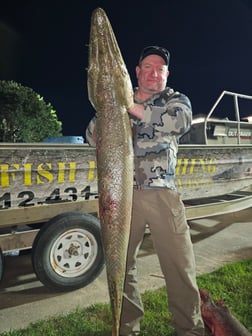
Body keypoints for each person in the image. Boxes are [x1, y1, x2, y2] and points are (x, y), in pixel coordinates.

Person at [86, 46, 205, 336]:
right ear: (136, 73)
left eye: (160, 69)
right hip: (124, 197)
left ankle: (189, 329)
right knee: (122, 269)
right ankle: (126, 328)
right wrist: (113, 106)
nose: (154, 73)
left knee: (179, 268)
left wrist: (131, 106)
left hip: (163, 196)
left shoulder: (175, 100)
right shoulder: (117, 104)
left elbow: (180, 122)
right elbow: (91, 136)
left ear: (166, 74)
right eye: (147, 67)